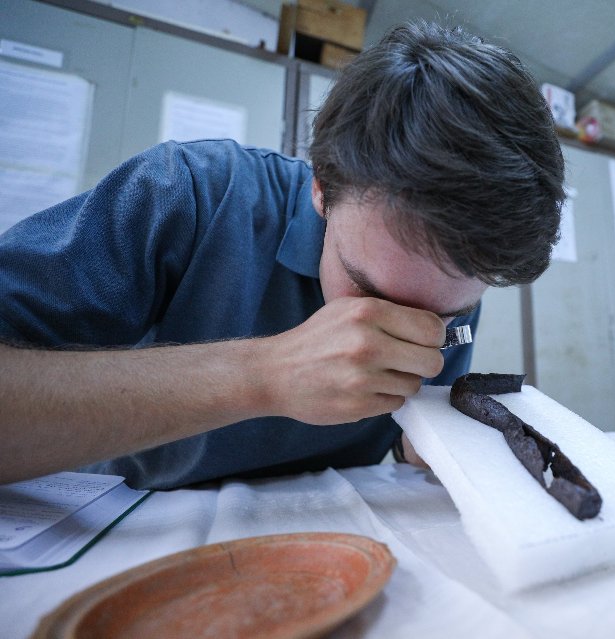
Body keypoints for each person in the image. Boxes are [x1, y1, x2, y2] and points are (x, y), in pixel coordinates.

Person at [0, 21, 564, 489]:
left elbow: (409, 438)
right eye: (369, 293)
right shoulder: (190, 194)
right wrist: (263, 376)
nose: (406, 323)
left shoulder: (447, 276)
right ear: (321, 186)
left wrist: (433, 444)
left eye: (444, 316)